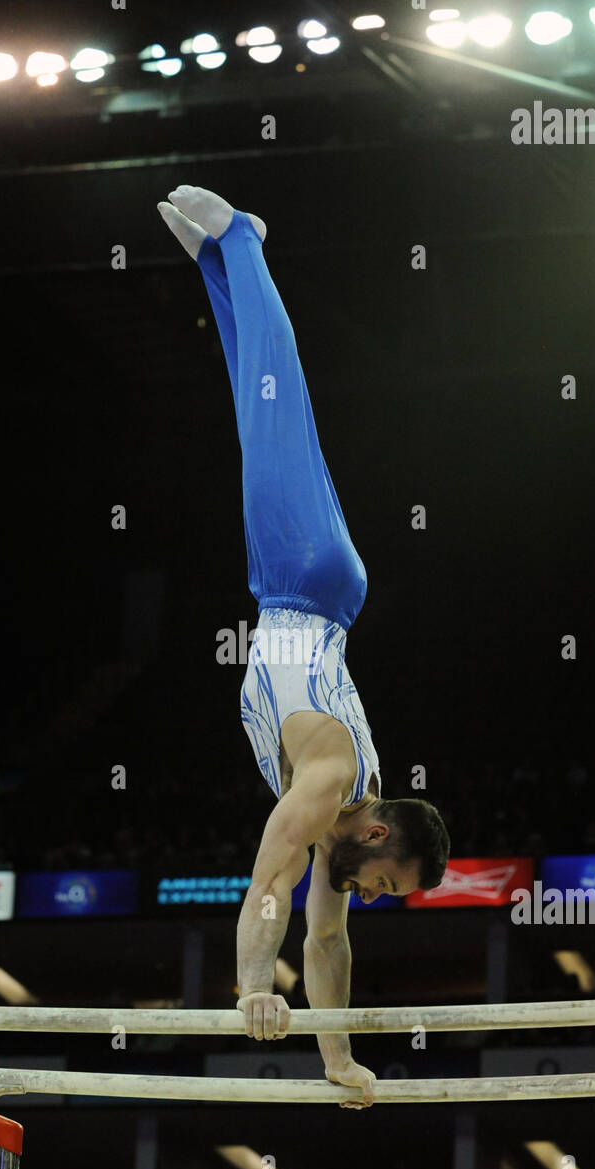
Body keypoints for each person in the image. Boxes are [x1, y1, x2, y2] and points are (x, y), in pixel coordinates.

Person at [158, 187, 450, 1108]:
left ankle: (218, 266)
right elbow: (265, 888)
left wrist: (337, 1063)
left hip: (290, 590)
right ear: (374, 832)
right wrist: (251, 988)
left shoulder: (338, 844)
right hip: (308, 578)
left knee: (256, 414)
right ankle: (245, 236)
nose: (370, 893)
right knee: (278, 401)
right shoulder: (327, 784)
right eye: (385, 880)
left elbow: (323, 941)